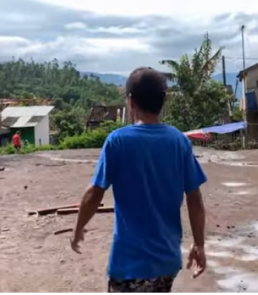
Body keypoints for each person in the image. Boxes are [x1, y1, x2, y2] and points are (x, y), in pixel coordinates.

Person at [70, 67, 208, 292]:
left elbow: (95, 192)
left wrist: (78, 228)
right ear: (163, 101)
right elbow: (195, 198)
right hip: (167, 262)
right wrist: (199, 244)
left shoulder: (118, 141)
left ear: (131, 101)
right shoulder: (179, 142)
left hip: (129, 264)